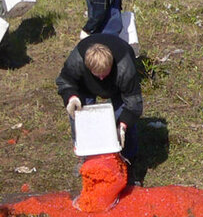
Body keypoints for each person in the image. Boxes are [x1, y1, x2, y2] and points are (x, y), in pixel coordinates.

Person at [56, 33, 143, 166]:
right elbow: (65, 81)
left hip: (117, 86)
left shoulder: (124, 67)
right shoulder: (77, 60)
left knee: (123, 123)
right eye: (98, 75)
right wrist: (71, 97)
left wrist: (124, 124)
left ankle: (127, 160)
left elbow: (133, 101)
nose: (102, 78)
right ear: (88, 67)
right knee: (81, 117)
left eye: (105, 73)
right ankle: (86, 158)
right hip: (86, 86)